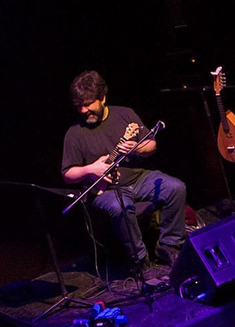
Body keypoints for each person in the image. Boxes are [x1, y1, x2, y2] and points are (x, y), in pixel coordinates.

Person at [61, 70, 188, 281]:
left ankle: (169, 246)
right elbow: (67, 174)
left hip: (137, 179)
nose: (83, 110)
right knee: (120, 207)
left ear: (102, 97)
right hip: (106, 191)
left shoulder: (125, 114)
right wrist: (90, 169)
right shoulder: (74, 133)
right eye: (79, 106)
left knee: (175, 187)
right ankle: (140, 262)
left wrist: (137, 148)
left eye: (88, 104)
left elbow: (151, 145)